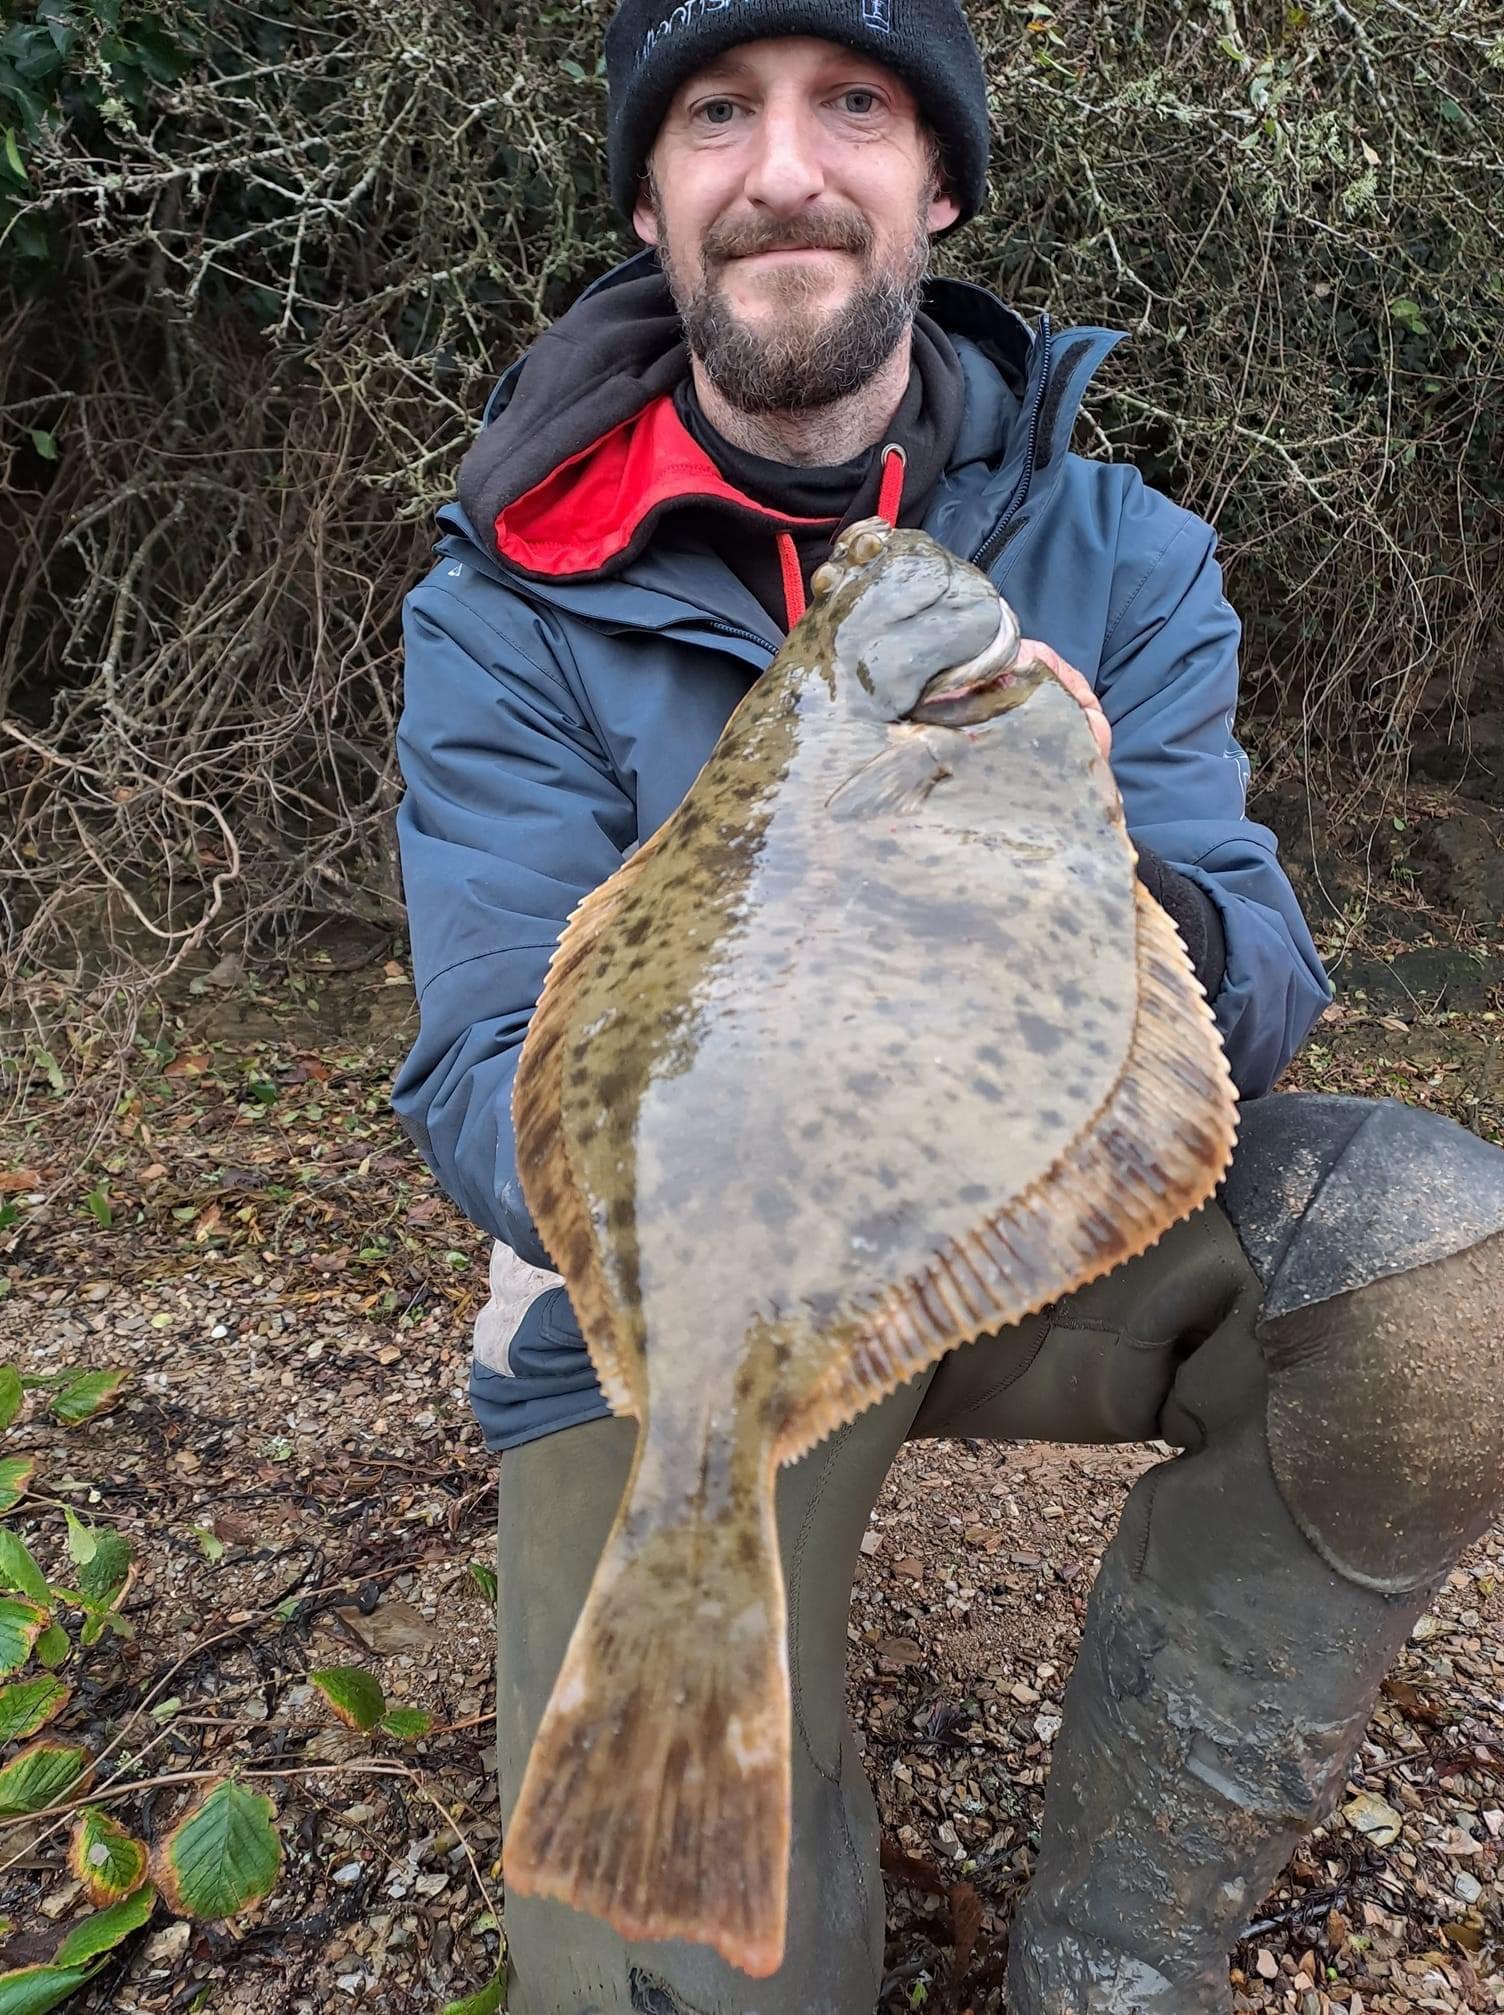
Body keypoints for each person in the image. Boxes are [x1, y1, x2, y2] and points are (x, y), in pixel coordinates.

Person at [390, 3, 1504, 2008]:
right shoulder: (505, 598)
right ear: (648, 203)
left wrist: (1077, 875)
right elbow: (482, 1074)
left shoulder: (1123, 555)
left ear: (940, 183)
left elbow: (1250, 979)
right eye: (714, 115)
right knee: (663, 1981)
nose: (785, 167)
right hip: (672, 1303)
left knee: (1438, 1265)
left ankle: (1103, 1958)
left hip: (1011, 1219)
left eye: (853, 107)